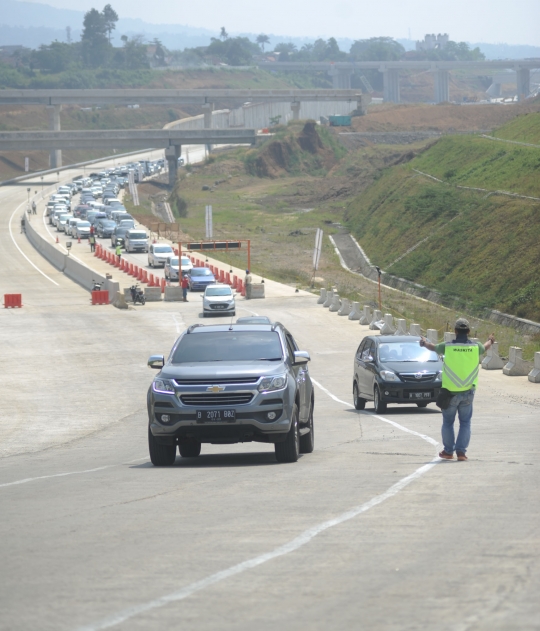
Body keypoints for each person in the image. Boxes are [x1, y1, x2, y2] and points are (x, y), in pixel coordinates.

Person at [420, 318, 495, 462]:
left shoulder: (447, 346)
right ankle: (461, 453)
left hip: (449, 393)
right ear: (468, 331)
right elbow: (485, 347)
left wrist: (424, 343)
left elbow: (432, 347)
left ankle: (448, 451)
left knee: (448, 422)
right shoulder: (475, 346)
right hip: (468, 392)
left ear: (455, 331)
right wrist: (490, 340)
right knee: (465, 422)